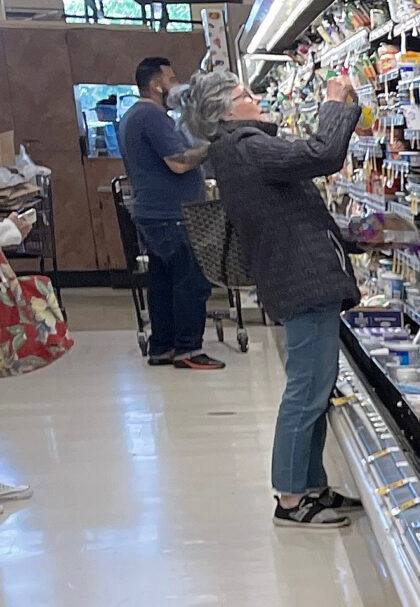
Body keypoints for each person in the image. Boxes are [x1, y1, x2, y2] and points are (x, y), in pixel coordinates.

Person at [187, 68, 362, 531]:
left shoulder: (236, 150)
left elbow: (290, 210)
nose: (256, 97)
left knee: (316, 389)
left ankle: (311, 484)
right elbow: (323, 153)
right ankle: (289, 498)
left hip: (298, 278)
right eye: (245, 94)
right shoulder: (247, 146)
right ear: (225, 112)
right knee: (307, 391)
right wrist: (335, 104)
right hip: (302, 282)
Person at [121, 56, 221, 371]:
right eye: (172, 78)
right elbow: (178, 162)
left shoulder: (134, 116)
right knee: (191, 281)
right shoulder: (152, 117)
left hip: (154, 213)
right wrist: (214, 146)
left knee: (163, 282)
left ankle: (162, 346)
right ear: (156, 84)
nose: (176, 85)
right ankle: (189, 349)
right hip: (172, 214)